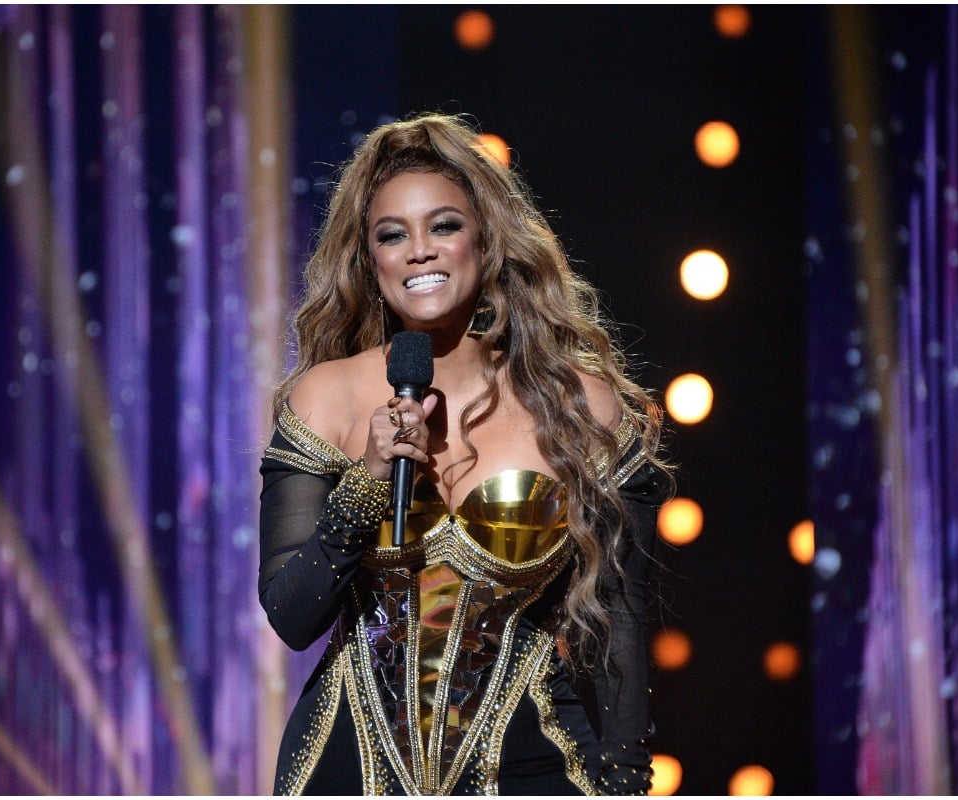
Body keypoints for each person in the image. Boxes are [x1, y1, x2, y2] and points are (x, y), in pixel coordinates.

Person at [258, 112, 670, 795]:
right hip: (348, 767)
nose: (419, 250)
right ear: (372, 259)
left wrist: (625, 775)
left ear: (486, 240)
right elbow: (291, 616)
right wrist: (366, 482)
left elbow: (621, 620)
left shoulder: (578, 405)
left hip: (533, 765)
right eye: (393, 235)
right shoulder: (325, 398)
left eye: (443, 225)